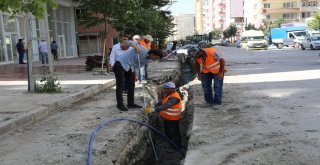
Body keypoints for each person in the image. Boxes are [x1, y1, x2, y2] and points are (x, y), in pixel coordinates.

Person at [113, 40, 163, 111]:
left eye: (156, 59)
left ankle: (130, 103)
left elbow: (137, 66)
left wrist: (135, 74)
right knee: (120, 84)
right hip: (120, 64)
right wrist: (136, 47)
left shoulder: (146, 60)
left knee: (131, 84)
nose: (154, 59)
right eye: (155, 57)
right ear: (152, 53)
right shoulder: (142, 49)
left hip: (129, 67)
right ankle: (119, 104)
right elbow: (129, 42)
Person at [144, 82, 182, 148]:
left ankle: (176, 146)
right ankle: (170, 143)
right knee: (167, 131)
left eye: (166, 89)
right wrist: (154, 106)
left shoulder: (174, 97)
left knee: (174, 133)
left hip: (173, 119)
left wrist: (153, 110)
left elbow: (165, 106)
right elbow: (162, 102)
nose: (164, 90)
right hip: (167, 118)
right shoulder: (168, 94)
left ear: (171, 89)